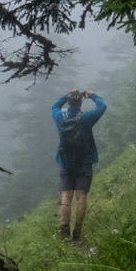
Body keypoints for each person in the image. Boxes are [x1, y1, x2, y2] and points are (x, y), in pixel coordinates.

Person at [51, 87, 106, 242]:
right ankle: (77, 232)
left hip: (65, 162)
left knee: (66, 196)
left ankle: (64, 230)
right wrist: (92, 95)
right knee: (81, 196)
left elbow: (54, 106)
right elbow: (102, 107)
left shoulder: (59, 116)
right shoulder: (86, 118)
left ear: (68, 101)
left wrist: (67, 93)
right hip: (84, 162)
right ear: (81, 101)